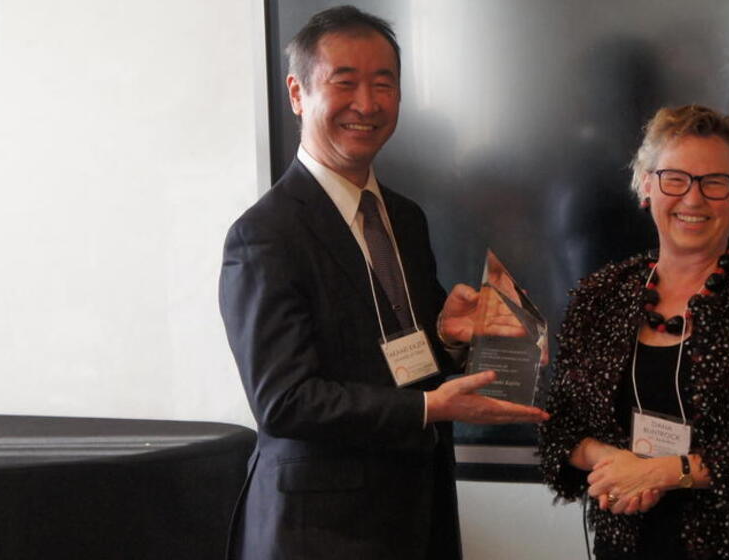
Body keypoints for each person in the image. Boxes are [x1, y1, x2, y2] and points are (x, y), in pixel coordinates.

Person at [218, 6, 548, 560]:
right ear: (298, 93)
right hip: (317, 531)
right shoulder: (264, 235)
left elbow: (405, 356)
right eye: (344, 83)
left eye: (384, 84)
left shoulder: (405, 216)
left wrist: (447, 335)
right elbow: (285, 401)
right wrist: (428, 410)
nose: (367, 104)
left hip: (415, 510)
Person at [539, 105, 729, 559]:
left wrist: (662, 472)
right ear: (646, 187)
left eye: (714, 182)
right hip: (628, 545)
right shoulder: (600, 295)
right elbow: (559, 429)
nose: (693, 200)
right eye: (674, 178)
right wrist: (612, 464)